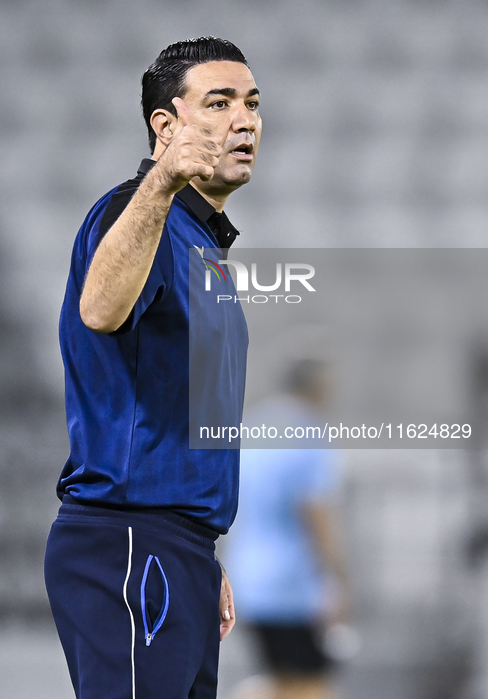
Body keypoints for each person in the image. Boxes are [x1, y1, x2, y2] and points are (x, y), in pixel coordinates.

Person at [44, 37, 262, 699]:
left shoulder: (198, 244)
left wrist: (198, 547)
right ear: (164, 126)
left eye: (251, 104)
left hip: (175, 546)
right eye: (218, 103)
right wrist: (160, 180)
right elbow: (101, 309)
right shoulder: (137, 212)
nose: (243, 120)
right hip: (129, 537)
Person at [227, 360, 350, 699]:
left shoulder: (254, 426)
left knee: (281, 680)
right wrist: (337, 580)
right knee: (311, 686)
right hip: (292, 586)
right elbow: (316, 516)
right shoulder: (307, 433)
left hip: (247, 579)